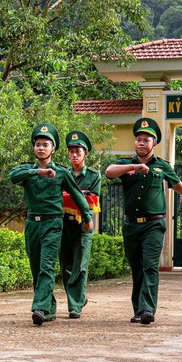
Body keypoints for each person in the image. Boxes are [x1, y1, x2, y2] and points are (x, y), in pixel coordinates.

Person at [105, 118, 182, 325]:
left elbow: (175, 182)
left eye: (146, 140)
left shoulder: (162, 166)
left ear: (155, 144)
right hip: (131, 225)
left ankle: (147, 310)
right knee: (137, 268)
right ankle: (138, 310)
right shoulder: (126, 164)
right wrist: (134, 167)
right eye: (138, 139)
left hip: (154, 224)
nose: (141, 143)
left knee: (150, 266)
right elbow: (108, 172)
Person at [10, 123, 93, 326]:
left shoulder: (62, 173)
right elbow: (13, 177)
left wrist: (87, 218)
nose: (41, 148)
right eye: (38, 144)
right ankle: (49, 308)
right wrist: (37, 173)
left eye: (45, 144)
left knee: (47, 266)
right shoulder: (26, 170)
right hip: (32, 224)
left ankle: (39, 307)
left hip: (53, 223)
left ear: (53, 149)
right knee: (36, 268)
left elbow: (77, 196)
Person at [59, 130, 101, 319]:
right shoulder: (62, 174)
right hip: (64, 224)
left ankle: (74, 306)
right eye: (71, 151)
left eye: (78, 151)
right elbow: (57, 198)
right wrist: (77, 196)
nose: (74, 155)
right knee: (66, 265)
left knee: (81, 265)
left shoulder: (93, 176)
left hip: (84, 225)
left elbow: (92, 201)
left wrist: (68, 197)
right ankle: (78, 297)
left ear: (86, 154)